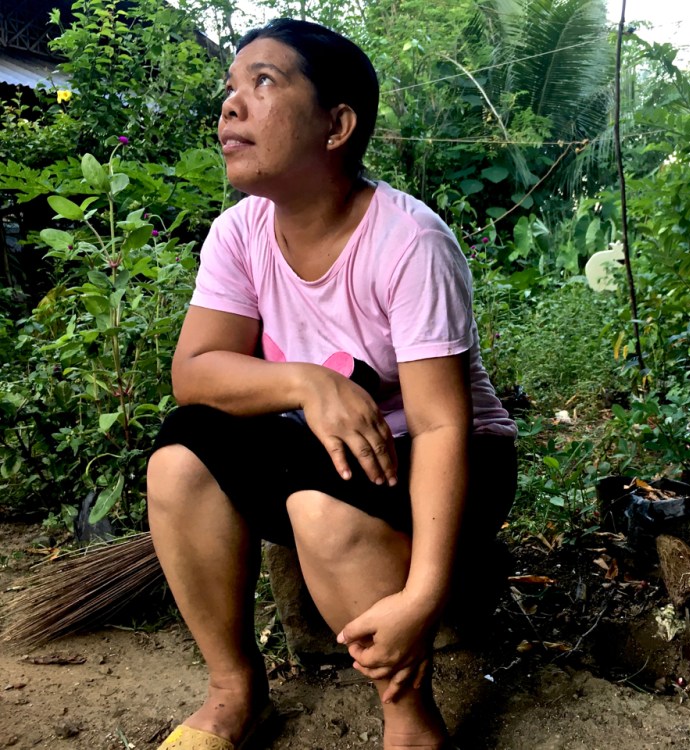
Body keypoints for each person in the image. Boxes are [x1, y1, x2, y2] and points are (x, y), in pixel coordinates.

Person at [146, 18, 517, 750]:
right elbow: (196, 374)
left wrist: (424, 595)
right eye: (230, 89)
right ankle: (234, 691)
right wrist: (309, 383)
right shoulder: (239, 234)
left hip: (449, 458)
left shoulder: (409, 241)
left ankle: (411, 723)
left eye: (263, 82)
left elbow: (444, 426)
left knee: (322, 511)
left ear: (337, 124)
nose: (230, 106)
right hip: (325, 443)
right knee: (181, 458)